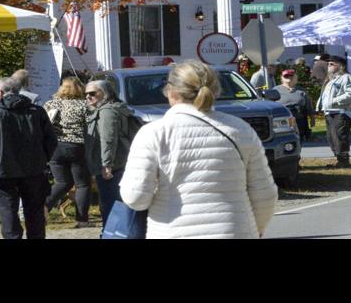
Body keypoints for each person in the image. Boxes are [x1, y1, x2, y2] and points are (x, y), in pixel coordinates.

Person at [117, 61, 276, 238]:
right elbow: (265, 194)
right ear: (215, 90)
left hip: (173, 231)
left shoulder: (153, 133)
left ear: (171, 92)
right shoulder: (241, 129)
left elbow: (136, 198)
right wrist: (257, 228)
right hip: (235, 230)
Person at [0, 75, 57, 239]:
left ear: (0, 92)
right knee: (34, 211)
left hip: (1, 171)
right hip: (33, 170)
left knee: (7, 210)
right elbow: (51, 141)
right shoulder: (37, 112)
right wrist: (42, 159)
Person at [83, 76, 139, 231]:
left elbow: (108, 139)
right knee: (117, 204)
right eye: (86, 94)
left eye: (92, 93)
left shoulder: (107, 111)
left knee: (110, 205)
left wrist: (107, 165)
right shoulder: (113, 108)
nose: (88, 97)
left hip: (112, 166)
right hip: (118, 162)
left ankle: (111, 233)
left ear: (105, 93)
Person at [43, 76, 95, 227]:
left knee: (62, 182)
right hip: (76, 147)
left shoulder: (50, 104)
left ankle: (43, 206)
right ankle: (82, 220)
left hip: (55, 148)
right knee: (82, 185)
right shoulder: (84, 105)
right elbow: (92, 126)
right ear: (80, 88)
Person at [317, 57, 351, 167]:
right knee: (331, 137)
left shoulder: (347, 77)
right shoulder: (330, 79)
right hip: (329, 112)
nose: (329, 66)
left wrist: (333, 101)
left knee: (339, 136)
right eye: (328, 64)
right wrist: (320, 106)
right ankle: (339, 159)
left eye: (332, 64)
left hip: (341, 112)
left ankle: (344, 161)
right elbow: (325, 96)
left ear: (341, 66)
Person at [273, 69, 312, 142]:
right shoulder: (276, 90)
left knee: (299, 139)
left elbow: (308, 105)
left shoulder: (301, 90)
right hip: (283, 119)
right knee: (285, 140)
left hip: (299, 119)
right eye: (286, 76)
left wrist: (312, 118)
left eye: (291, 76)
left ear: (295, 78)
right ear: (282, 78)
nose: (289, 78)